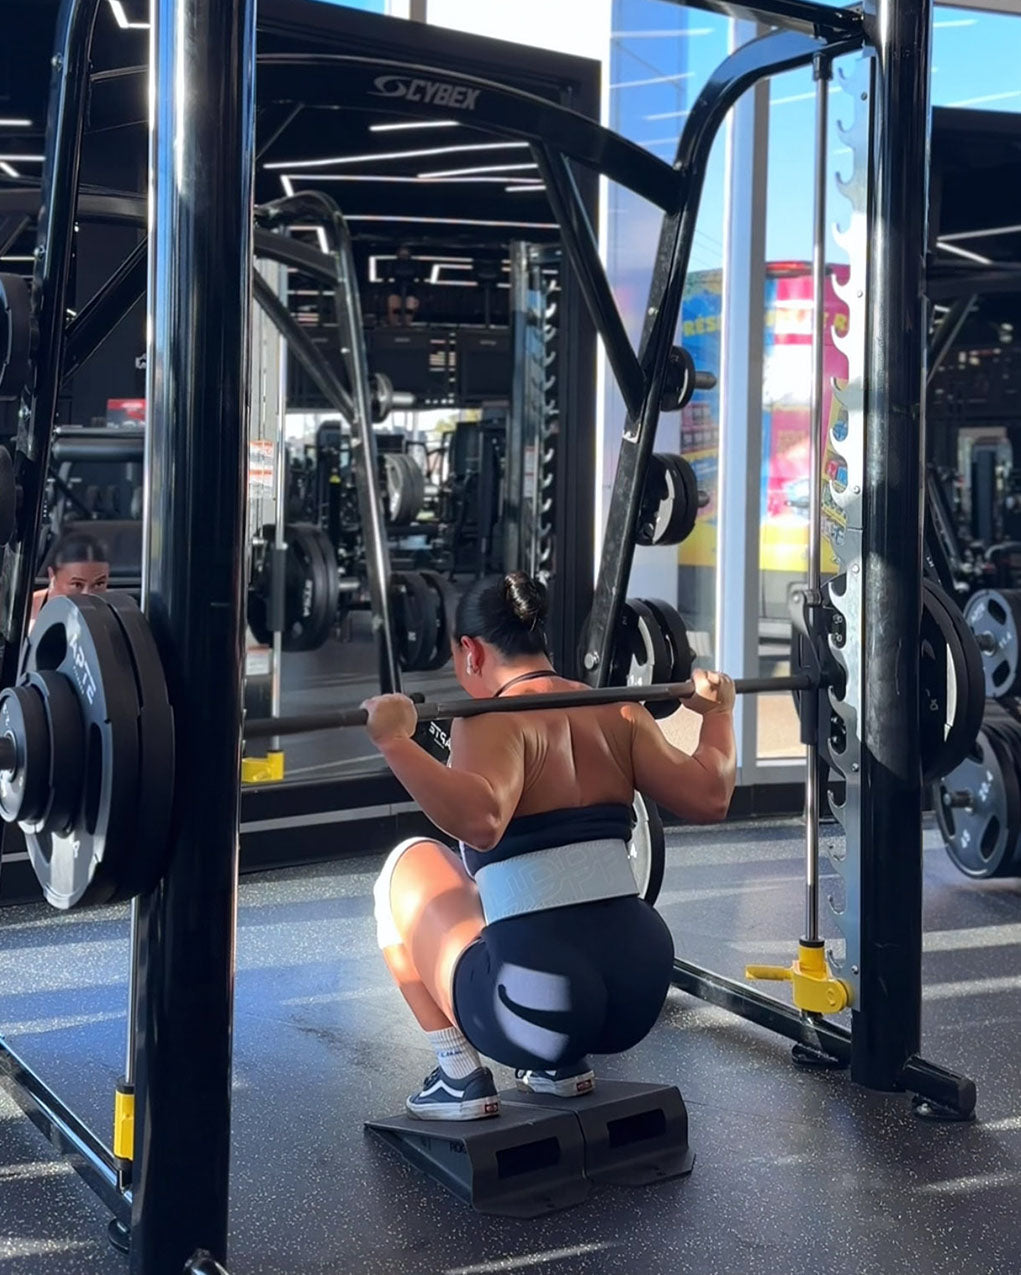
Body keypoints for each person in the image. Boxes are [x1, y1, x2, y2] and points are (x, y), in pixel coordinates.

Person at [363, 572, 735, 1121]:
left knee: (407, 868)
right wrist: (719, 713)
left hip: (533, 1006)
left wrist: (393, 742)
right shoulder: (620, 710)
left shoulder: (489, 717)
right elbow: (710, 795)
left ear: (470, 652)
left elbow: (482, 820)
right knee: (496, 895)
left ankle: (458, 1078)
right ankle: (561, 1070)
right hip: (639, 984)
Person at [30, 531, 111, 630]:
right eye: (77, 584)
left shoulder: (117, 613)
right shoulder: (28, 611)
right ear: (52, 576)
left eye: (98, 584)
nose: (87, 594)